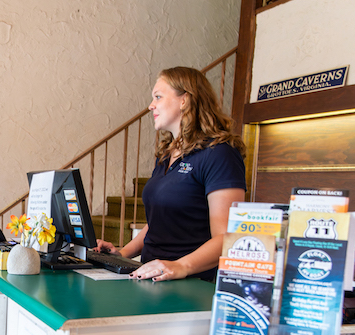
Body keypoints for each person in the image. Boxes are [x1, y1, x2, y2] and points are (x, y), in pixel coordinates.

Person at [96, 66, 246, 282]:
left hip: (191, 283)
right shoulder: (166, 156)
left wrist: (179, 266)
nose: (151, 105)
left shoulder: (220, 154)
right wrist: (122, 253)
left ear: (184, 100)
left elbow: (226, 237)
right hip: (150, 276)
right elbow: (158, 221)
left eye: (158, 97)